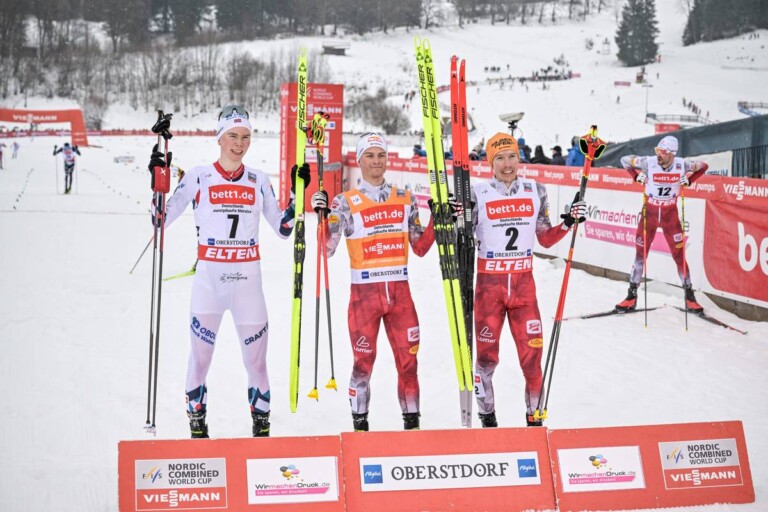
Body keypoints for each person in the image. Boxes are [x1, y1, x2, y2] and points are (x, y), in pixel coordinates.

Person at [147, 105, 310, 438]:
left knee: (258, 364)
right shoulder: (198, 176)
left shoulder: (257, 179)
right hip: (210, 283)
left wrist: (297, 194)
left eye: (246, 137)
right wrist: (158, 181)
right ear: (219, 138)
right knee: (200, 359)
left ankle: (261, 431)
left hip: (248, 284)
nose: (239, 143)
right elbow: (160, 219)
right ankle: (197, 427)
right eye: (233, 136)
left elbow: (282, 228)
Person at [310, 132, 435, 432]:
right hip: (364, 298)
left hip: (400, 297)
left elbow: (419, 247)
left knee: (409, 364)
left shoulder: (405, 198)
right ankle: (360, 428)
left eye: (381, 155)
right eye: (370, 155)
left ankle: (412, 425)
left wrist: (438, 221)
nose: (376, 161)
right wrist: (322, 217)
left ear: (387, 158)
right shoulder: (345, 202)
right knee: (362, 364)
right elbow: (326, 249)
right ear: (360, 160)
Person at [470, 132, 587, 428]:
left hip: (524, 291)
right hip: (489, 290)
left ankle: (534, 421)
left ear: (519, 158)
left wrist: (568, 222)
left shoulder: (536, 190)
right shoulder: (477, 194)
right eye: (499, 158)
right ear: (490, 163)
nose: (507, 164)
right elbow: (460, 236)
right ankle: (488, 420)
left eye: (511, 156)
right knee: (485, 362)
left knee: (532, 361)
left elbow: (545, 238)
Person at [615, 135, 709, 312]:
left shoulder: (682, 165)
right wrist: (636, 176)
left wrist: (689, 180)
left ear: (672, 154)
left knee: (679, 256)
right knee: (640, 254)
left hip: (669, 215)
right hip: (649, 212)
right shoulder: (648, 162)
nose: (659, 155)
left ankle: (690, 297)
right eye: (657, 150)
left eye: (663, 152)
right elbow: (625, 160)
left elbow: (704, 166)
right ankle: (631, 296)